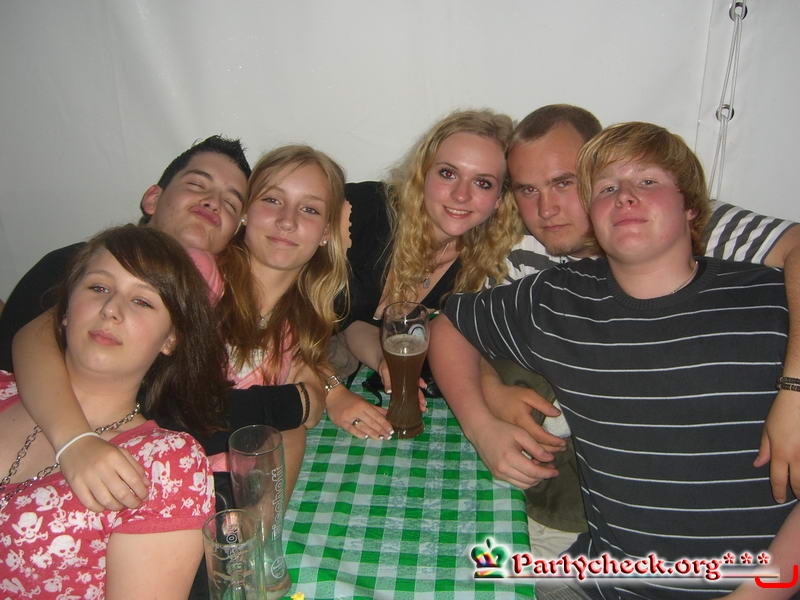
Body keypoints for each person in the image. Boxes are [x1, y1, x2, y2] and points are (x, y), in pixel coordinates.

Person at [430, 122, 800, 599]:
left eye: (647, 181)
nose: (625, 196)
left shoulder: (774, 303)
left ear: (691, 206)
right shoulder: (557, 300)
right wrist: (482, 425)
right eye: (606, 189)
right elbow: (449, 326)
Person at [0, 224, 229, 598]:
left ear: (171, 338)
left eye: (142, 301)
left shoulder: (164, 464)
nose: (111, 310)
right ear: (65, 311)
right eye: (98, 288)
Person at [326, 108, 523, 439]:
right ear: (422, 174)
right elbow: (284, 311)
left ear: (500, 199)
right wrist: (331, 392)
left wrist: (385, 361)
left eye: (483, 183)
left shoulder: (481, 265)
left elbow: (352, 322)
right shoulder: (358, 212)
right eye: (447, 173)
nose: (461, 195)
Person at [214, 144, 348, 493]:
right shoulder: (204, 287)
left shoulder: (300, 319)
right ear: (245, 211)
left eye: (309, 209)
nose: (287, 221)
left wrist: (315, 393)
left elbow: (306, 408)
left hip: (227, 491)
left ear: (326, 232)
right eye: (272, 200)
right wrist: (299, 401)